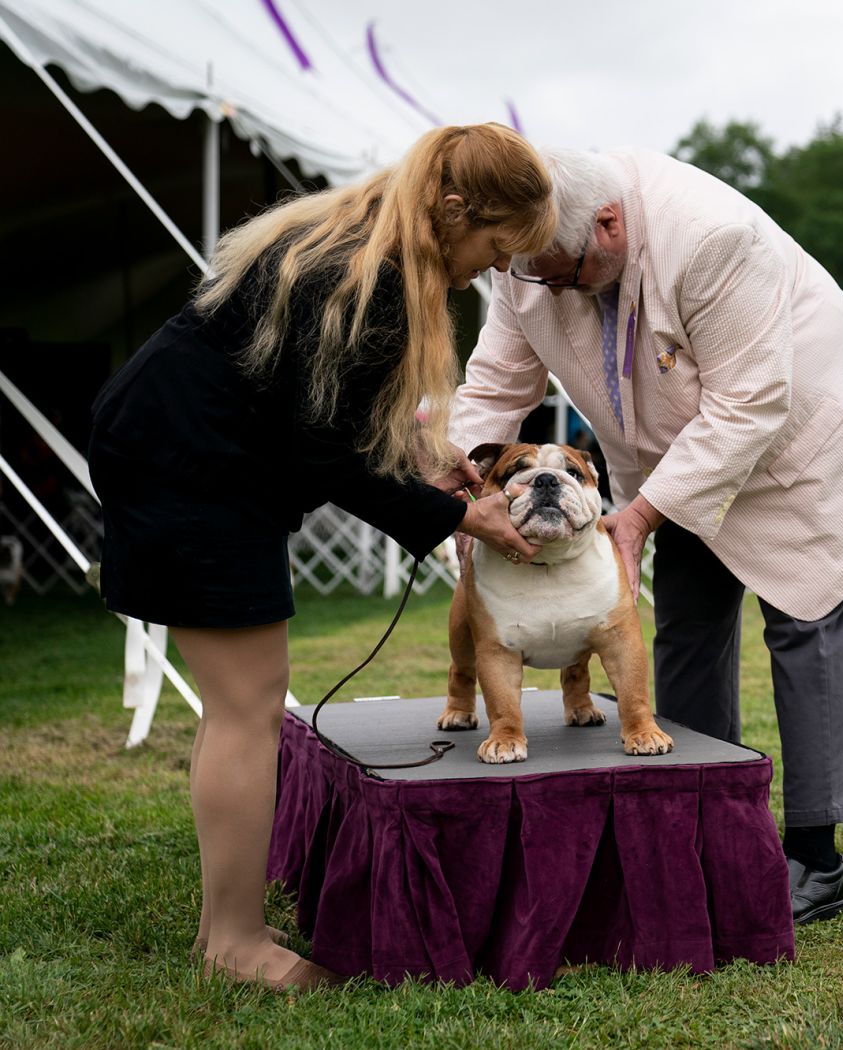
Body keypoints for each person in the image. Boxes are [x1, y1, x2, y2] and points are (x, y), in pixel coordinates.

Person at [87, 124, 556, 991]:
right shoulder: (367, 276)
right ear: (454, 211)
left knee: (241, 706)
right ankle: (233, 943)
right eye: (494, 245)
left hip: (181, 452)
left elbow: (322, 413)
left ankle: (225, 925)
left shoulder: (356, 238)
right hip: (190, 468)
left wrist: (427, 462)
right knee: (249, 709)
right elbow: (320, 455)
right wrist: (458, 519)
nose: (492, 269)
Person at [446, 146, 843, 925]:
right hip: (679, 457)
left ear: (608, 226)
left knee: (807, 630)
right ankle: (698, 821)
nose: (542, 287)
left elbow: (749, 406)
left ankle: (815, 857)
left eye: (560, 272)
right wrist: (466, 487)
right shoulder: (529, 258)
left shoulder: (713, 239)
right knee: (687, 630)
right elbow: (497, 383)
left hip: (799, 444)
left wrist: (636, 515)